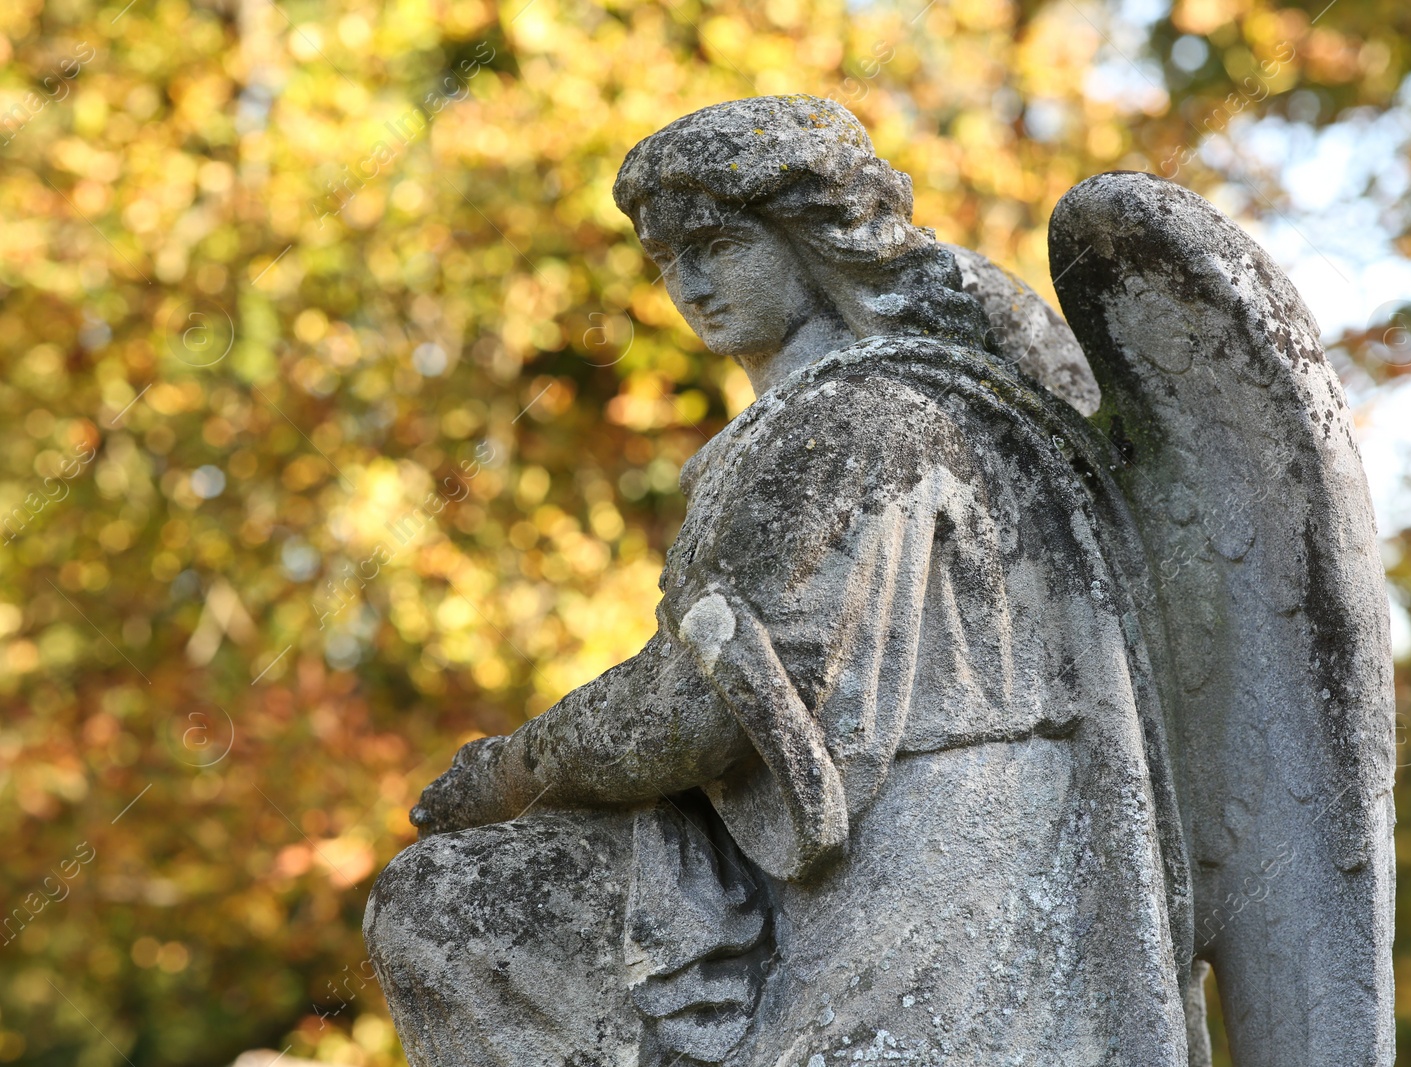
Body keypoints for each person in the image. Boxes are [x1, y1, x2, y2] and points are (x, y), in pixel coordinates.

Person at [364, 94, 1200, 1066]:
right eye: (666, 260)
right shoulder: (888, 408)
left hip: (926, 888)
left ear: (811, 234)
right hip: (876, 861)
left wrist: (513, 765)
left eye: (716, 244)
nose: (689, 287)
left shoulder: (851, 422)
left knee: (449, 903)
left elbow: (697, 707)